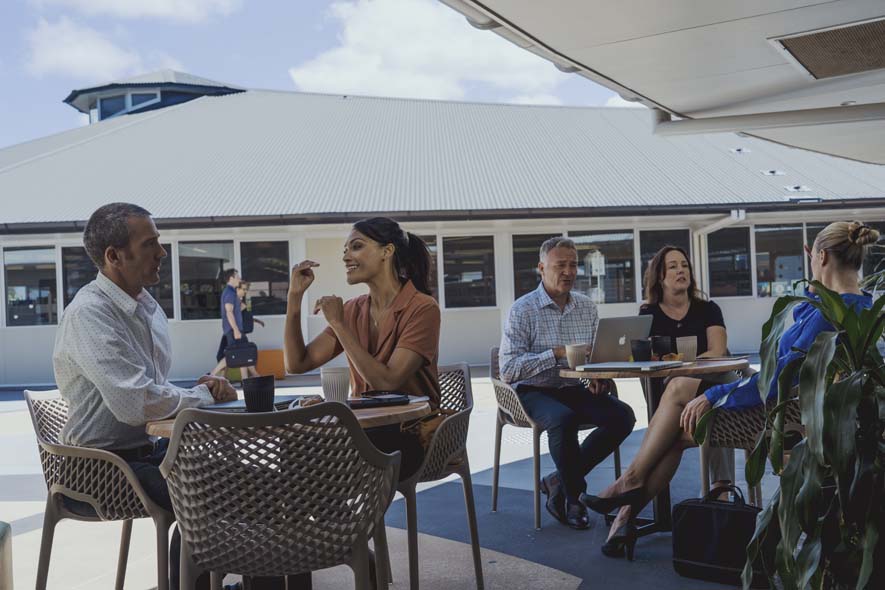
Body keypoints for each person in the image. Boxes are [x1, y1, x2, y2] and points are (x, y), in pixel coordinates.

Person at [584, 221, 878, 560]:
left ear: (821, 256)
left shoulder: (822, 316)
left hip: (778, 414)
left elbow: (771, 381)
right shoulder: (861, 306)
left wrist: (711, 396)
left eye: (812, 257)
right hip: (808, 409)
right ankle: (626, 506)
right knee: (677, 424)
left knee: (679, 412)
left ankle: (628, 488)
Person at [53, 203, 237, 589]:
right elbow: (134, 403)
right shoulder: (90, 313)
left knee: (244, 480)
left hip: (142, 453)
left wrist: (192, 392)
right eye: (151, 243)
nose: (162, 252)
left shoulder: (144, 306)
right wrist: (201, 395)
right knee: (212, 495)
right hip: (96, 469)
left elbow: (149, 390)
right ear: (114, 256)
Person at [284, 217, 440, 480]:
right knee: (295, 445)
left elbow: (388, 381)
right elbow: (297, 364)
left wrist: (338, 324)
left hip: (410, 435)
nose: (346, 256)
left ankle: (341, 520)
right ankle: (339, 521)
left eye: (356, 246)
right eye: (345, 250)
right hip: (364, 430)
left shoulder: (423, 308)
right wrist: (294, 298)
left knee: (317, 455)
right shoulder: (353, 310)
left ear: (387, 251)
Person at [499, 237, 636, 529]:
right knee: (563, 420)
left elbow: (597, 357)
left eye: (573, 265)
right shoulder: (522, 309)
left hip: (574, 387)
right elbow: (508, 369)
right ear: (541, 268)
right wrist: (556, 354)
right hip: (533, 391)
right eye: (560, 265)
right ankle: (574, 498)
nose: (569, 272)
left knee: (623, 416)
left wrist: (600, 377)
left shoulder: (587, 307)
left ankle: (557, 481)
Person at [639, 245, 735, 493]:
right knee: (709, 414)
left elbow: (717, 351)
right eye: (673, 266)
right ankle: (720, 491)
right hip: (670, 397)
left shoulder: (708, 309)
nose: (681, 270)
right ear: (659, 277)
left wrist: (679, 371)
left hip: (706, 386)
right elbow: (644, 361)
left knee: (711, 409)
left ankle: (627, 498)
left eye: (684, 265)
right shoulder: (647, 314)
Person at [211, 269, 259, 379]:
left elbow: (239, 308)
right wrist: (236, 329)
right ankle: (212, 375)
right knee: (233, 354)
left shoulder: (233, 293)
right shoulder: (229, 292)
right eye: (237, 277)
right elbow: (229, 312)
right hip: (233, 330)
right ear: (231, 278)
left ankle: (245, 380)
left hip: (236, 329)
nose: (239, 279)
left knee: (242, 353)